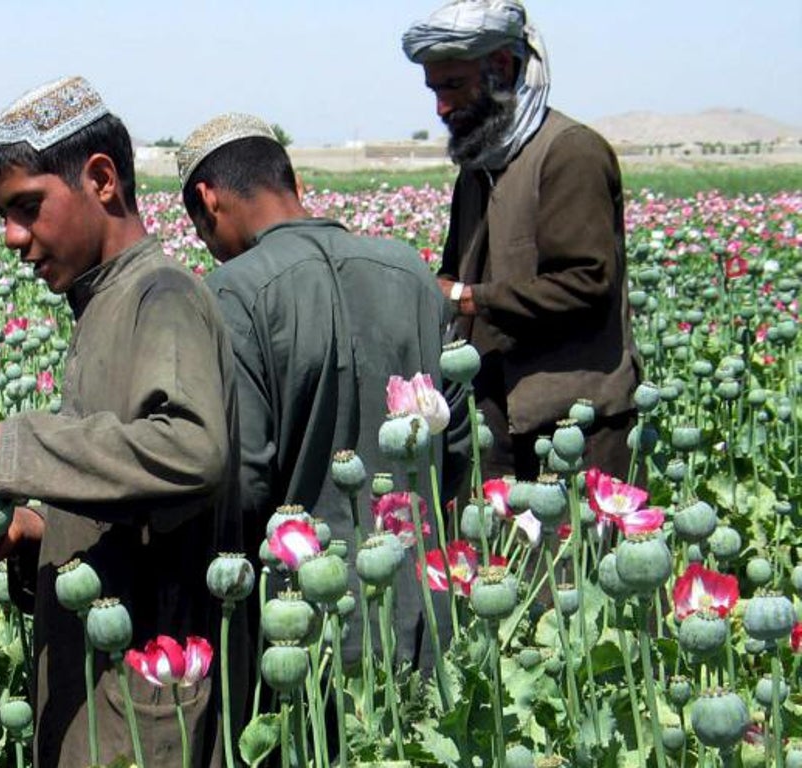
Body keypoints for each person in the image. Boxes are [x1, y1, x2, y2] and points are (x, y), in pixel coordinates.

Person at [0, 76, 244, 768]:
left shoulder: (159, 296)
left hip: (141, 700)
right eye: (3, 216)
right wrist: (33, 531)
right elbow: (134, 499)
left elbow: (193, 452)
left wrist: (18, 446)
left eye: (27, 207)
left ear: (101, 179)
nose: (13, 237)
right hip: (100, 686)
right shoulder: (103, 302)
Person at [176, 113, 449, 669]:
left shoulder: (233, 293)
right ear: (296, 184)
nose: (211, 251)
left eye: (203, 234)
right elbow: (457, 441)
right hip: (421, 614)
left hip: (304, 629)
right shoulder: (413, 272)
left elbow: (245, 482)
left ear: (207, 201)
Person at [402, 0, 641, 483]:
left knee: (578, 558)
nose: (441, 106)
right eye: (434, 89)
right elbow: (455, 271)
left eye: (453, 86)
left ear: (502, 67)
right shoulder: (478, 166)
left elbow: (585, 282)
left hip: (575, 420)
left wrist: (469, 298)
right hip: (491, 415)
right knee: (500, 557)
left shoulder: (569, 152)